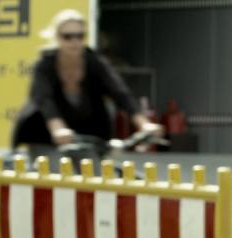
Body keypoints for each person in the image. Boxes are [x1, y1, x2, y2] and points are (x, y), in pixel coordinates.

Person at [10, 9, 162, 150]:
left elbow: (120, 93)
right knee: (53, 173)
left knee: (96, 173)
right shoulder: (44, 65)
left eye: (80, 36)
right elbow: (43, 98)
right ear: (57, 37)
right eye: (67, 37)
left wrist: (143, 124)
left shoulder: (95, 62)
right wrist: (58, 128)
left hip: (88, 134)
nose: (74, 41)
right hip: (44, 134)